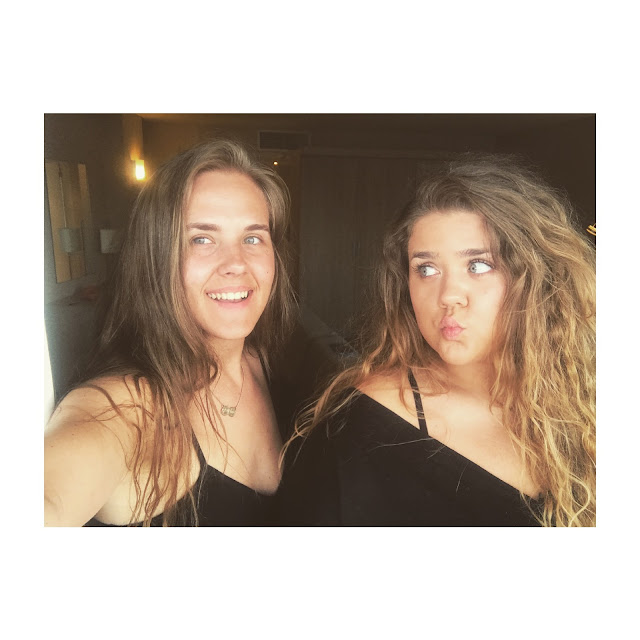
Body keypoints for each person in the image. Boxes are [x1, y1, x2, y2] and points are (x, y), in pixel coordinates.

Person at [276, 154, 596, 527]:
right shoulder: (358, 432)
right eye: (426, 269)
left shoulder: (583, 400)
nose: (448, 296)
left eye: (478, 265)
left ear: (538, 278)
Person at [44, 139, 296, 526]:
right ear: (156, 258)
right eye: (201, 239)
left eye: (252, 238)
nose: (236, 264)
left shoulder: (259, 360)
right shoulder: (126, 408)